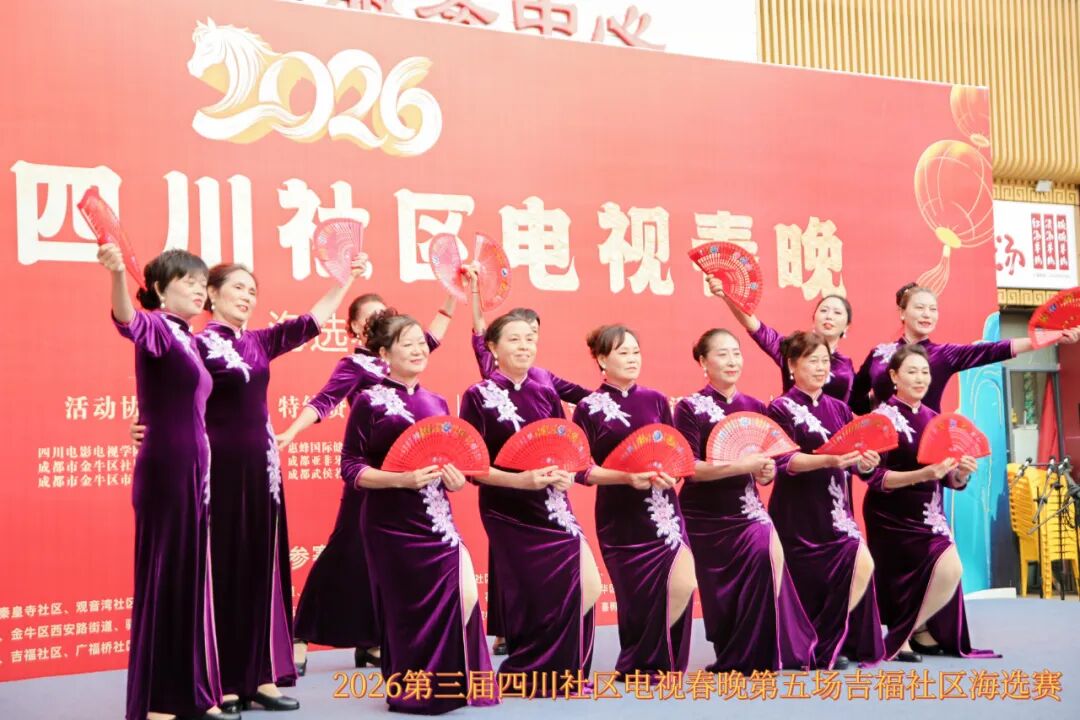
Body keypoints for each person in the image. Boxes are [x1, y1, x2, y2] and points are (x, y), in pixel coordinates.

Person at [100, 244, 236, 720]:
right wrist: (118, 275)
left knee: (189, 578)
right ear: (159, 289)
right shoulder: (157, 326)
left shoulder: (189, 339)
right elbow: (127, 320)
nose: (200, 290)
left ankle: (192, 692)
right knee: (166, 578)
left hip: (195, 471)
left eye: (202, 283)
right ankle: (159, 701)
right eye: (188, 281)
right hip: (168, 468)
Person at [287, 290, 456, 674]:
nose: (380, 321)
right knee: (345, 551)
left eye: (384, 314)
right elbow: (324, 401)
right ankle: (301, 633)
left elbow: (432, 335)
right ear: (354, 328)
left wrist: (454, 293)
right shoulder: (356, 365)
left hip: (415, 485)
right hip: (372, 479)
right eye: (370, 318)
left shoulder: (404, 359)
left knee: (381, 563)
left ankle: (371, 641)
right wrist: (292, 432)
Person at [342, 310, 497, 714]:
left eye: (419, 343)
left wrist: (454, 480)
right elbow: (351, 467)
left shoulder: (437, 401)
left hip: (436, 519)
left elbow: (450, 461)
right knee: (406, 610)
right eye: (406, 343)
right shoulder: (368, 401)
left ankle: (457, 684)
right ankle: (415, 690)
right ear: (384, 354)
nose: (417, 350)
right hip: (390, 524)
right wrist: (400, 479)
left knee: (463, 594)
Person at [459, 312, 600, 693]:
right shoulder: (477, 396)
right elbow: (472, 466)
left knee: (587, 584)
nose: (525, 346)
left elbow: (563, 443)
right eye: (514, 339)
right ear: (492, 347)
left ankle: (563, 673)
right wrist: (519, 480)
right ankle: (529, 672)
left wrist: (566, 473)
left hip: (552, 504)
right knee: (532, 594)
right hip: (508, 510)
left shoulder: (545, 391)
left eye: (529, 339)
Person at [674, 329, 817, 673]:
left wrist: (764, 472)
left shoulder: (755, 407)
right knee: (720, 590)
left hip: (747, 508)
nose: (732, 361)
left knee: (766, 555)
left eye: (736, 353)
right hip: (704, 514)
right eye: (722, 354)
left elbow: (766, 469)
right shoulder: (689, 407)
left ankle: (766, 649)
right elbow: (690, 469)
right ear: (703, 361)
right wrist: (743, 465)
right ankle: (732, 651)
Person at [572, 325, 697, 677]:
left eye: (636, 352)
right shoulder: (588, 408)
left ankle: (660, 661)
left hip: (663, 509)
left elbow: (676, 453)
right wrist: (625, 477)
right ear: (602, 359)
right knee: (637, 596)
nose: (632, 359)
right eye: (623, 352)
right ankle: (638, 663)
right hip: (621, 516)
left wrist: (672, 475)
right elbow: (581, 469)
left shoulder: (656, 400)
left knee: (684, 581)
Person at [864, 344, 1000, 661]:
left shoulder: (935, 419)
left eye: (924, 372)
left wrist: (961, 474)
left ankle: (908, 632)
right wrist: (922, 473)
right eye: (912, 371)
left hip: (929, 512)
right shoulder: (881, 419)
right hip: (890, 514)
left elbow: (947, 477)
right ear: (894, 376)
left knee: (949, 569)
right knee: (903, 579)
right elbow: (874, 478)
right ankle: (908, 634)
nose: (920, 378)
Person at [767, 331, 885, 669]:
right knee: (806, 583)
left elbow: (857, 462)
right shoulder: (780, 408)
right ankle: (811, 644)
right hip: (798, 512)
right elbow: (783, 461)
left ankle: (826, 641)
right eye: (812, 361)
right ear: (792, 365)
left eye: (825, 361)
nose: (821, 368)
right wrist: (829, 460)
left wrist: (866, 462)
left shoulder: (840, 409)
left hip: (836, 509)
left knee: (861, 561)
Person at [850, 282, 1080, 413]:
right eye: (920, 308)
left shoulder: (944, 355)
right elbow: (855, 402)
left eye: (933, 309)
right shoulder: (879, 354)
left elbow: (993, 350)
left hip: (927, 443)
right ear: (902, 312)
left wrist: (1051, 336)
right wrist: (880, 404)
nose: (927, 314)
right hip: (883, 449)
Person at [708, 276, 856, 402]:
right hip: (790, 423)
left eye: (837, 313)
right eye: (824, 310)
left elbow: (858, 403)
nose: (829, 316)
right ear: (814, 318)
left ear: (847, 326)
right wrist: (727, 296)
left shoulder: (846, 365)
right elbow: (755, 326)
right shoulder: (794, 347)